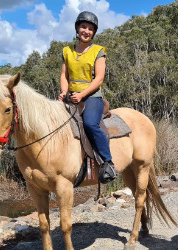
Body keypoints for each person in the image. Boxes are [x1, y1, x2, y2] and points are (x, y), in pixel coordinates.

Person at [57, 11, 117, 184]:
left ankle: (108, 162)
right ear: (77, 28)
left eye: (90, 29)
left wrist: (82, 95)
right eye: (83, 27)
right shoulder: (66, 51)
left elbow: (99, 78)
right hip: (71, 96)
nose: (86, 31)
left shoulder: (99, 51)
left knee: (90, 124)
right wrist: (64, 92)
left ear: (94, 32)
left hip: (91, 97)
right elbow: (64, 76)